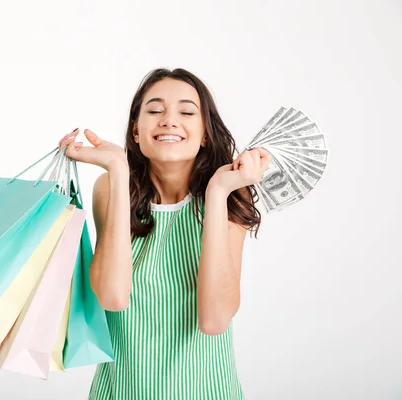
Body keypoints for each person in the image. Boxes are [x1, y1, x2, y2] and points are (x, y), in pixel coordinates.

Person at [58, 68, 272, 400]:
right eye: (155, 110)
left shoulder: (230, 195)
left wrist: (216, 194)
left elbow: (214, 321)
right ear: (136, 131)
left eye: (187, 112)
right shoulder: (111, 188)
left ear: (204, 134)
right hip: (122, 391)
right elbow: (113, 297)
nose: (170, 120)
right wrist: (117, 169)